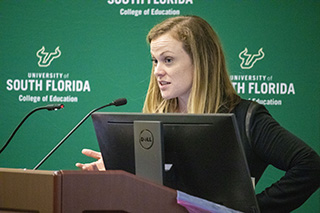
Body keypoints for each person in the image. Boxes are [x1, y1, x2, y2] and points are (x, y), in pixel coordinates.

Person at [76, 15, 320, 212]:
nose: (157, 72)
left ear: (202, 62)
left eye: (168, 60)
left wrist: (254, 209)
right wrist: (120, 171)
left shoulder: (247, 117)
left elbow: (310, 166)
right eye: (154, 61)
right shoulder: (153, 119)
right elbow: (156, 192)